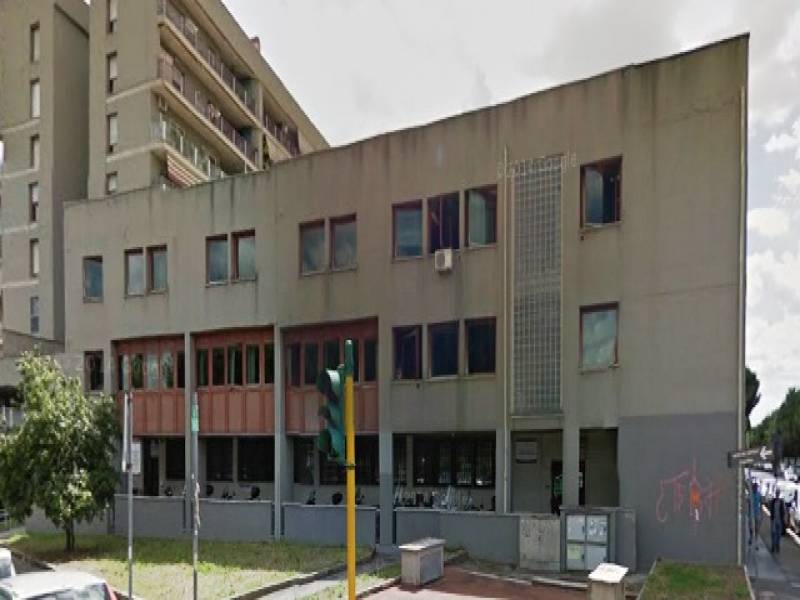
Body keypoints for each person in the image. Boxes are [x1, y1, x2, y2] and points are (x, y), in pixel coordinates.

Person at [750, 481, 762, 546]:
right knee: (751, 527)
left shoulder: (759, 494)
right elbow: (748, 503)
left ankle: (756, 540)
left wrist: (761, 514)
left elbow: (761, 504)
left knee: (756, 527)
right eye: (754, 487)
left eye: (756, 487)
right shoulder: (750, 495)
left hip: (757, 513)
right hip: (751, 513)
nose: (755, 489)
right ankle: (751, 537)